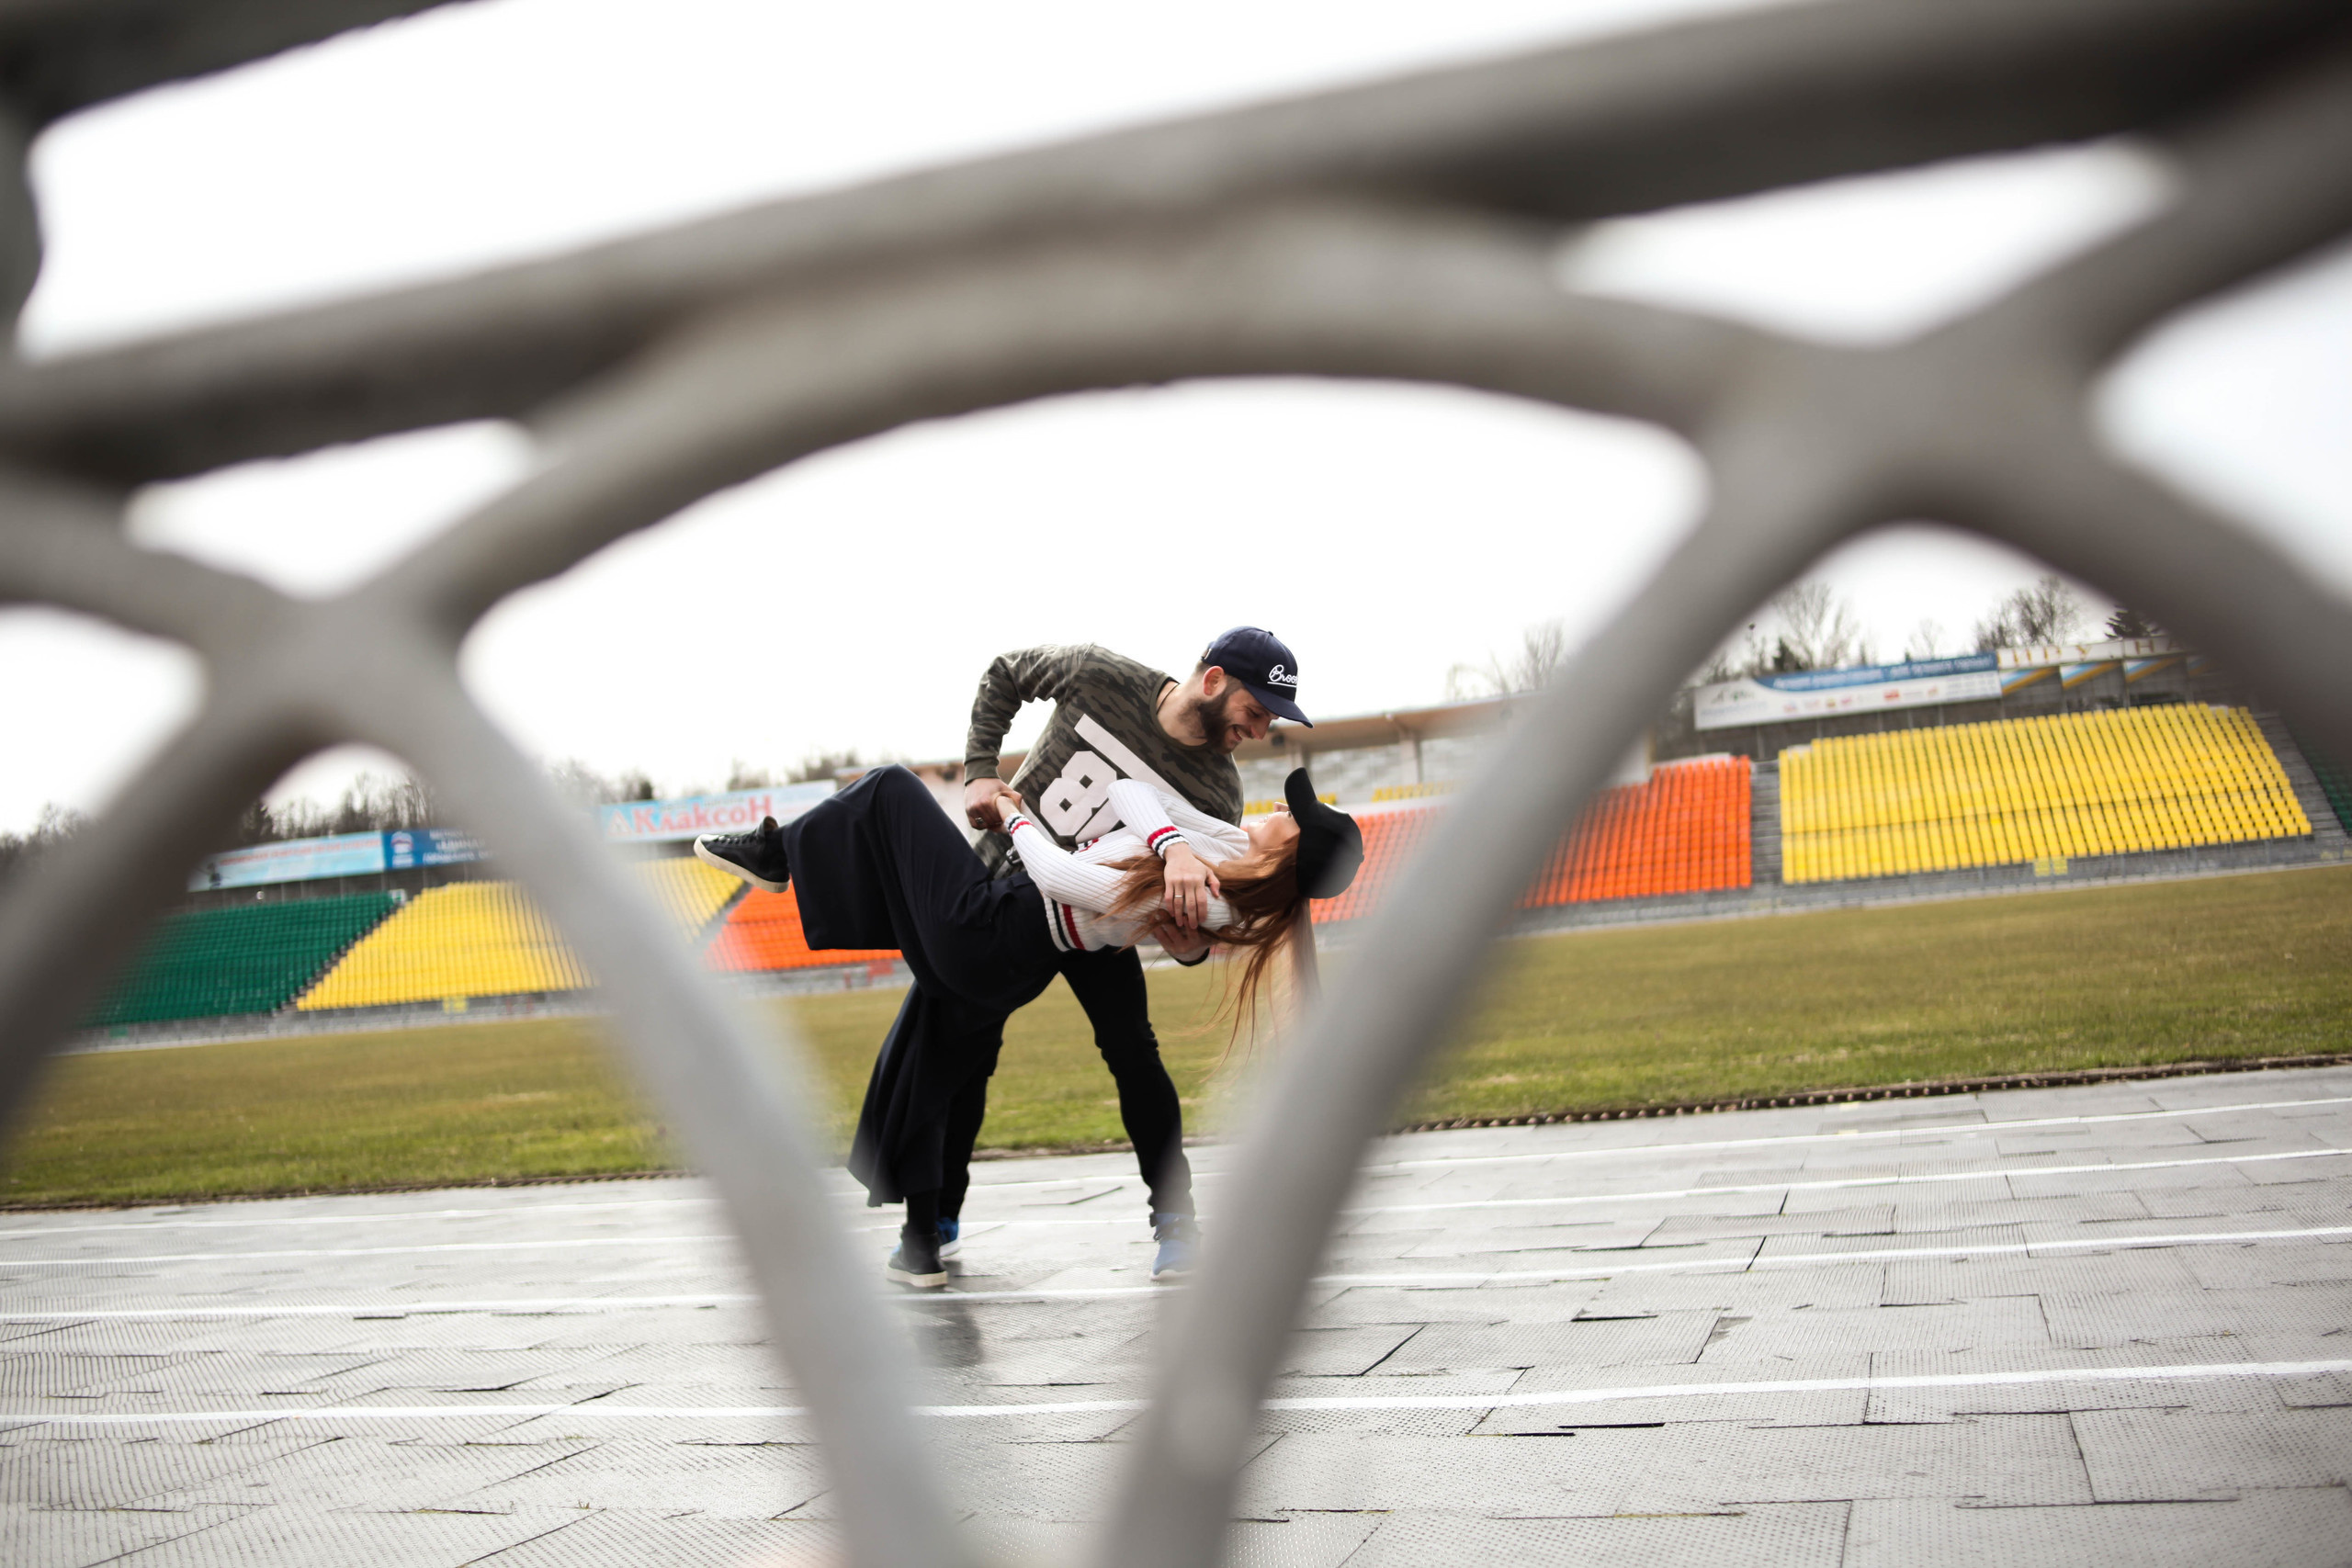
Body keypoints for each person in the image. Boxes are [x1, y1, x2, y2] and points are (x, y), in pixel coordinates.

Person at [695, 765, 1363, 1289]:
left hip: (996, 930)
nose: (1279, 809)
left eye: (1293, 820)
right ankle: (921, 1240)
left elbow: (1060, 875)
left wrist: (1014, 815)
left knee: (891, 789)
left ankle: (780, 854)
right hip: (999, 929)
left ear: (1288, 859)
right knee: (929, 1048)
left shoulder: (1203, 894)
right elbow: (1127, 789)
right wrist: (1174, 843)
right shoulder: (1218, 849)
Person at [933, 628, 1312, 1278]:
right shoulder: (1101, 673)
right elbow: (1004, 672)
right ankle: (938, 1214)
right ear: (1216, 681)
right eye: (1256, 711)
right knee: (964, 1050)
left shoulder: (1219, 791)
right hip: (1007, 887)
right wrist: (980, 772)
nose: (1258, 729)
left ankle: (1176, 1223)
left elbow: (1194, 923)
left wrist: (1188, 946)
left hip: (1098, 915)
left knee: (1134, 1051)